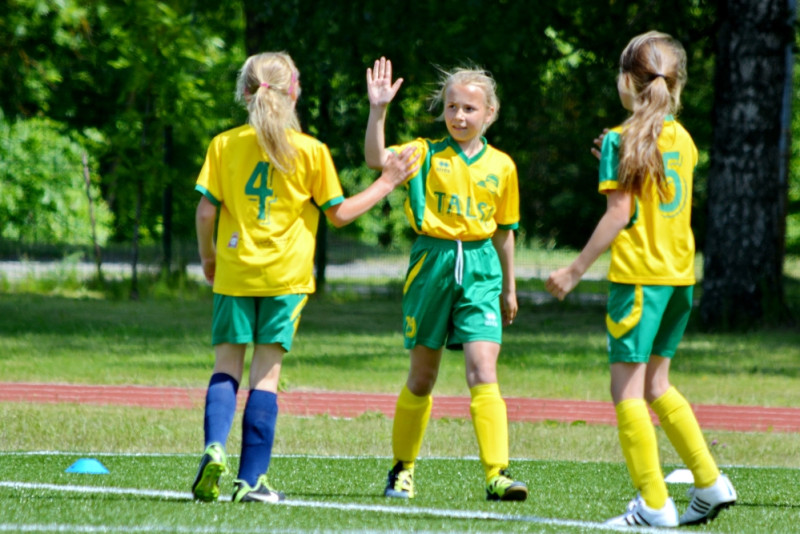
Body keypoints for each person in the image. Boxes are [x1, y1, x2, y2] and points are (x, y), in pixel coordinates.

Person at [191, 52, 419, 504]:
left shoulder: (223, 144)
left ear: (244, 92)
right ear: (294, 92)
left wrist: (210, 259)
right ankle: (251, 480)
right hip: (286, 278)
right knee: (266, 378)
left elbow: (204, 211)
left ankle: (214, 448)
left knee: (225, 370)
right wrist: (387, 182)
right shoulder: (310, 150)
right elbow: (339, 214)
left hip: (235, 273)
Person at [545, 31, 737, 527]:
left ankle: (654, 504)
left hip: (638, 282)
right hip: (679, 280)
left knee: (627, 393)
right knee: (657, 384)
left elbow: (619, 213)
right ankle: (710, 481)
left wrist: (574, 269)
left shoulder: (620, 138)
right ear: (675, 84)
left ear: (627, 82)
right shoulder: (683, 138)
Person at [364, 57, 527, 502]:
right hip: (431, 266)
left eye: (470, 109)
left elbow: (505, 232)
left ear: (489, 114)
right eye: (452, 107)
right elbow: (377, 159)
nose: (459, 116)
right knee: (423, 377)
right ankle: (402, 469)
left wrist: (509, 287)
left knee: (483, 369)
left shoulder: (503, 166)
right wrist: (378, 110)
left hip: (481, 270)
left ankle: (498, 473)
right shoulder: (423, 153)